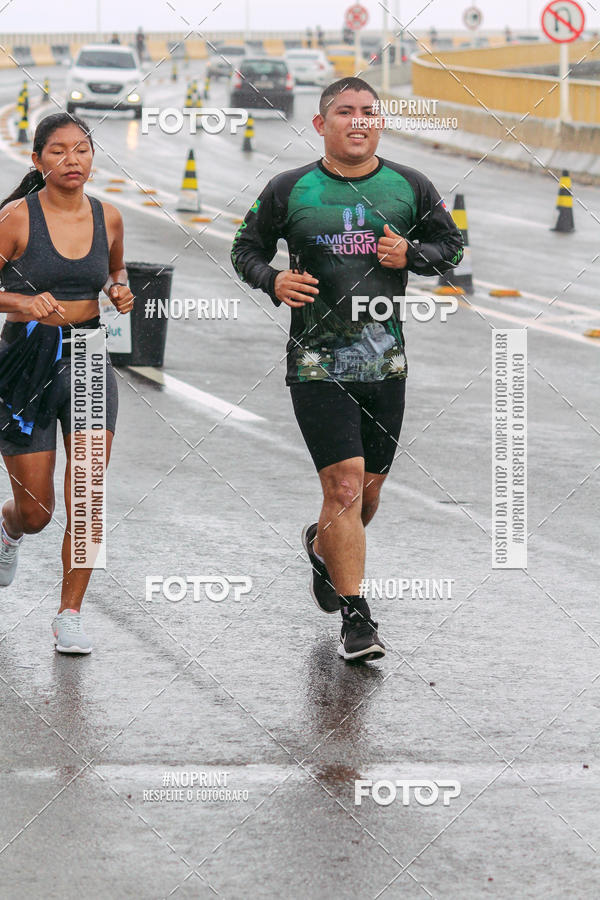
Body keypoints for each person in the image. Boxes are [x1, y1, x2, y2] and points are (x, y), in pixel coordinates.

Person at [231, 78, 463, 662]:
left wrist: (414, 255)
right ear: (321, 124)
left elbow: (452, 247)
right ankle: (358, 623)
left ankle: (321, 546)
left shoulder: (411, 185)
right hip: (316, 362)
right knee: (343, 485)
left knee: (367, 497)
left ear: (379, 123)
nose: (357, 121)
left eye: (367, 113)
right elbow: (245, 249)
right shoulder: (290, 189)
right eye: (344, 112)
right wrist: (272, 280)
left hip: (386, 362)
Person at [0, 112, 133, 653]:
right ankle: (9, 527)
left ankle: (69, 614)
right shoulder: (15, 219)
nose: (71, 160)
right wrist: (21, 301)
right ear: (37, 160)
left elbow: (116, 272)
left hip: (86, 355)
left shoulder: (110, 217)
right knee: (39, 513)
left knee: (88, 495)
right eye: (58, 151)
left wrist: (120, 292)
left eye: (81, 150)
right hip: (25, 360)